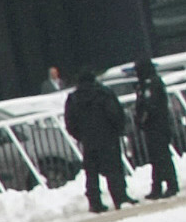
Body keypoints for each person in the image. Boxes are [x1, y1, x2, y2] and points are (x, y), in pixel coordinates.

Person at [63, 69, 132, 212]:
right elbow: (115, 114)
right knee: (114, 170)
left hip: (88, 141)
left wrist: (81, 136)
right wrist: (117, 130)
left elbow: (70, 122)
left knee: (92, 173)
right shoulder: (104, 94)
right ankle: (120, 198)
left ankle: (95, 203)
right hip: (108, 138)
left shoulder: (74, 98)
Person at [135, 64, 179, 199]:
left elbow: (151, 105)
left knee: (163, 157)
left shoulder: (153, 83)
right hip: (152, 127)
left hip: (158, 126)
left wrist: (143, 118)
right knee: (156, 158)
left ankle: (171, 185)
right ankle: (157, 186)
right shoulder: (144, 84)